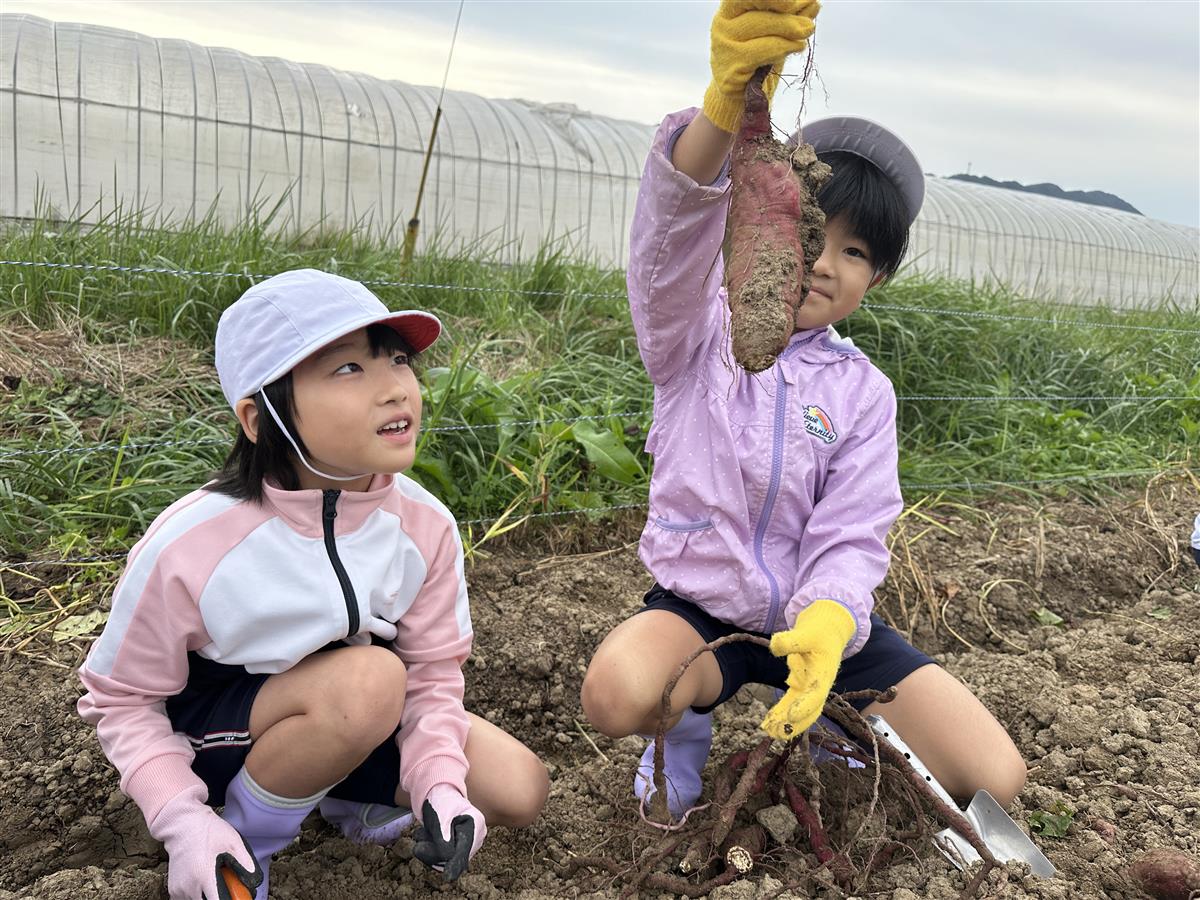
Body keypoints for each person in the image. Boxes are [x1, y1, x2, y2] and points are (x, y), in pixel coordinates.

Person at [582, 0, 1027, 822]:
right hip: (704, 617)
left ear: (878, 279)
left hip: (820, 627)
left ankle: (833, 724)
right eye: (814, 233)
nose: (826, 265)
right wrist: (726, 108)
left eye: (856, 252)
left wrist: (828, 622)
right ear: (767, 226)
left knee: (994, 776)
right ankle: (682, 734)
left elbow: (854, 531)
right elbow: (670, 235)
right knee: (620, 691)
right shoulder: (695, 332)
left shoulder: (862, 393)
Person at [76, 269, 549, 900]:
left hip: (349, 709)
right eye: (348, 369)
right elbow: (123, 701)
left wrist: (439, 782)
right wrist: (181, 817)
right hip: (213, 738)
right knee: (371, 681)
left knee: (518, 786)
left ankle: (337, 787)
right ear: (259, 416)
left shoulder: (425, 525)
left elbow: (434, 674)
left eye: (398, 360)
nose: (395, 390)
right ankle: (243, 847)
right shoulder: (191, 543)